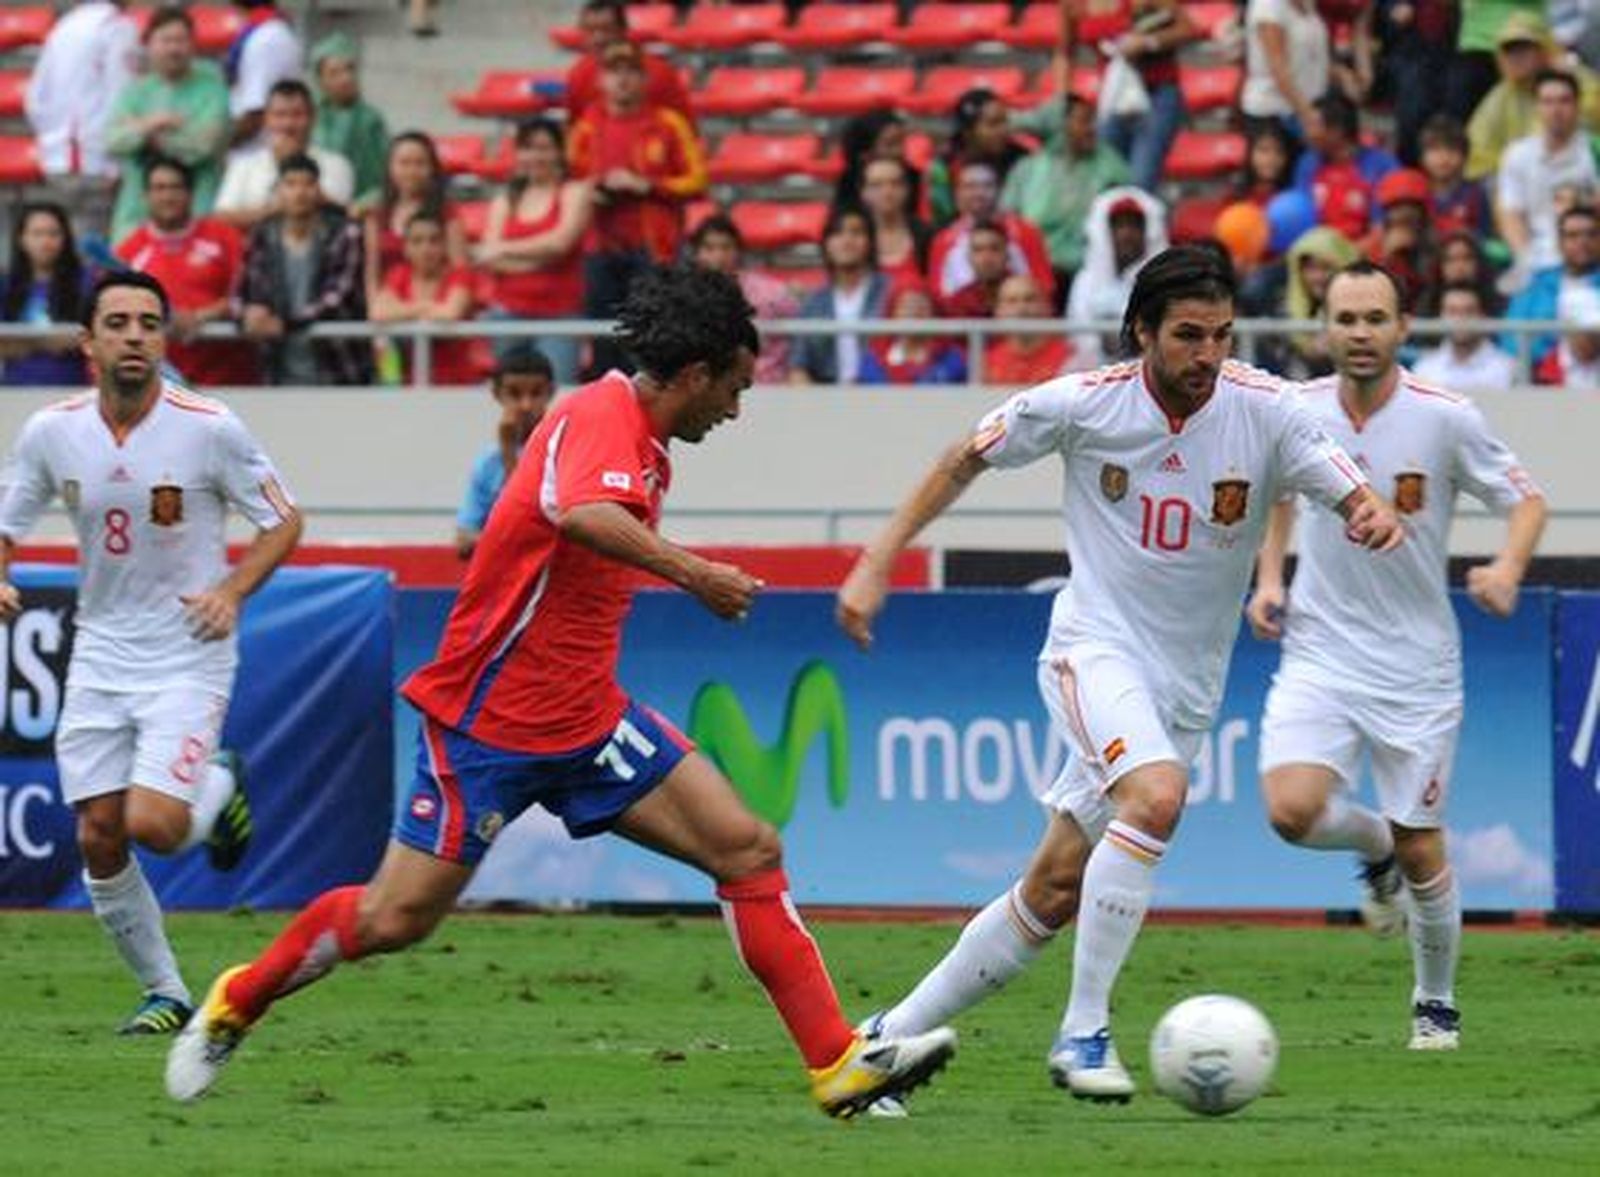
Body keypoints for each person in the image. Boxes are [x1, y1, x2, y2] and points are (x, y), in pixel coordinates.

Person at [165, 265, 958, 1115]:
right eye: (733, 386)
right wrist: (695, 574)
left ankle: (836, 1064)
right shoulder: (597, 414)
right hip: (489, 722)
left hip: (587, 720)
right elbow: (582, 513)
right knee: (394, 920)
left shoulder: (645, 441)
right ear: (694, 374)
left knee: (748, 847)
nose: (734, 408)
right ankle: (237, 998)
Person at [834, 245, 1399, 1105]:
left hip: (1185, 685)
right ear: (1142, 331)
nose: (1207, 354)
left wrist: (1367, 511)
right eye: (1187, 336)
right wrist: (877, 561)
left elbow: (1344, 485)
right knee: (1158, 796)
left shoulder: (1268, 410)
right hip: (1092, 649)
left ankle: (879, 1048)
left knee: (1055, 884)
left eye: (1220, 335)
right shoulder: (1082, 403)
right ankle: (1083, 1032)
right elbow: (963, 458)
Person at [1246, 259, 1545, 1051]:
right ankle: (1372, 846)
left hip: (1417, 665)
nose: (1360, 333)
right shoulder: (1296, 410)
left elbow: (1527, 499)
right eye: (1345, 318)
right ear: (1323, 329)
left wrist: (1509, 568)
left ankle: (1435, 1002)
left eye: (1375, 318)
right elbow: (1278, 489)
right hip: (1319, 649)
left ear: (1402, 328)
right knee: (1289, 811)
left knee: (1424, 840)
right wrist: (1269, 578)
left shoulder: (1446, 416)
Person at [0, 270, 302, 1034]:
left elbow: (284, 521)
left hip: (187, 650)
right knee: (97, 832)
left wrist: (231, 592)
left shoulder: (209, 426)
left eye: (149, 323)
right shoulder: (51, 431)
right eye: (119, 322)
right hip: (100, 649)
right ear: (88, 343)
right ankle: (165, 991)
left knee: (157, 824)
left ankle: (219, 781)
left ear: (164, 339)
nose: (135, 335)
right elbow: (6, 523)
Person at [567, 40, 706, 377]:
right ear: (602, 80)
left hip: (653, 249)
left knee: (651, 339)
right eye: (614, 71)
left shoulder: (668, 123)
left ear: (644, 80)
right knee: (604, 338)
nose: (623, 79)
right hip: (599, 247)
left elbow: (697, 178)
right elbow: (571, 179)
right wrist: (595, 190)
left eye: (631, 71)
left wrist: (647, 186)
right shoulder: (586, 127)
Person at [117, 156, 257, 386]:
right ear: (145, 196)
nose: (168, 196)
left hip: (229, 380)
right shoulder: (129, 251)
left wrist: (200, 317)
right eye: (159, 188)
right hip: (157, 389)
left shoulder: (226, 239)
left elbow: (248, 295)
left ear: (191, 194)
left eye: (176, 188)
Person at [237, 154, 371, 385]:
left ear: (319, 190)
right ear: (278, 191)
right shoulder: (262, 235)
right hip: (277, 372)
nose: (300, 192)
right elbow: (241, 291)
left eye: (308, 183)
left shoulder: (345, 233)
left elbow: (337, 297)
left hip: (338, 368)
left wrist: (285, 323)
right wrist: (246, 315)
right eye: (291, 184)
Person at [105, 5, 230, 245]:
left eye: (180, 40)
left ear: (193, 45)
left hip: (197, 211)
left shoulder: (213, 89)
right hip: (136, 213)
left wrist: (143, 130)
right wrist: (156, 123)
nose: (173, 48)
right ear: (149, 45)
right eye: (165, 40)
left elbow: (202, 146)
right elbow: (113, 140)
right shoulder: (135, 91)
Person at [477, 118, 590, 383]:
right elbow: (489, 258)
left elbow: (560, 243)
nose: (536, 156)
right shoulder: (505, 200)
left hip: (560, 315)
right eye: (528, 148)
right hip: (507, 314)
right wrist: (544, 257)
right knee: (507, 396)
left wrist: (506, 250)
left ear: (560, 153)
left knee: (559, 394)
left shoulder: (574, 192)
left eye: (545, 148)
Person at [1001, 95, 1131, 300]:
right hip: (1034, 278)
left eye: (1092, 121)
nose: (1092, 129)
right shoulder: (1026, 170)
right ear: (1060, 126)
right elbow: (1009, 223)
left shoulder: (1110, 165)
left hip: (1093, 276)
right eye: (1084, 121)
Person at [1066, 0, 1200, 194]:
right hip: (1112, 96)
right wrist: (1063, 99)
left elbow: (1188, 29)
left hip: (1156, 93)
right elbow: (1064, 52)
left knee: (1141, 181)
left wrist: (1148, 42)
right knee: (1107, 181)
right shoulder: (1072, 5)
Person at [453, 345, 556, 560]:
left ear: (551, 392)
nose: (526, 405)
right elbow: (463, 541)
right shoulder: (487, 463)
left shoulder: (564, 451)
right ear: (496, 393)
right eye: (514, 394)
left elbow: (533, 521)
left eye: (536, 393)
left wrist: (509, 453)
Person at [1498, 70, 1600, 283]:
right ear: (1537, 107)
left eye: (1564, 101)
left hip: (1590, 256)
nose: (1556, 110)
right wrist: (1525, 259)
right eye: (1547, 102)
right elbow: (1510, 215)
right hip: (1536, 258)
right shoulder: (1517, 154)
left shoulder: (1595, 150)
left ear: (1577, 105)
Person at [215, 80, 357, 230]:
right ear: (266, 119)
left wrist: (292, 164)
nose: (288, 124)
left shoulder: (336, 164)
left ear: (313, 118)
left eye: (297, 115)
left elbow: (340, 215)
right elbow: (223, 217)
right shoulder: (243, 165)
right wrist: (273, 209)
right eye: (279, 115)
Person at [24, 0, 139, 183]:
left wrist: (51, 137)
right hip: (99, 159)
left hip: (55, 157)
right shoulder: (117, 24)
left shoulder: (64, 25)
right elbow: (123, 93)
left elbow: (35, 98)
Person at [371, 211, 481, 387]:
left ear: (445, 246)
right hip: (408, 384)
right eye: (417, 241)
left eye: (434, 240)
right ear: (405, 248)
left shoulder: (461, 275)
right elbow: (378, 312)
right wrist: (426, 307)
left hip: (457, 385)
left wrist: (403, 311)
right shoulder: (398, 275)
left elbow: (450, 314)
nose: (426, 248)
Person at [1064, 188, 1169, 367]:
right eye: (1118, 226)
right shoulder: (1085, 281)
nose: (1126, 234)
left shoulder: (1165, 281)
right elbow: (1080, 339)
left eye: (1135, 226)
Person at [688, 215, 796, 384]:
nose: (719, 256)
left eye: (726, 247)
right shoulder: (685, 298)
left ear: (738, 251)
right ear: (696, 254)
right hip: (709, 391)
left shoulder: (772, 294)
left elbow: (797, 337)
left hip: (768, 387)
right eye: (709, 248)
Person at [930, 161, 1055, 307]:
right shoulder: (943, 240)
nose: (979, 193)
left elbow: (1044, 286)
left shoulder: (1026, 232)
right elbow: (937, 293)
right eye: (970, 186)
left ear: (1000, 190)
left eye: (987, 186)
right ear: (957, 193)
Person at [789, 206, 889, 385]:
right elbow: (798, 365)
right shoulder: (814, 302)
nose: (847, 240)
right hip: (827, 402)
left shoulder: (890, 292)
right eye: (837, 233)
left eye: (856, 232)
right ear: (826, 244)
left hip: (885, 395)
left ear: (870, 242)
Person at [364, 131, 465, 306]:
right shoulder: (377, 216)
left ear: (432, 168)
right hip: (391, 308)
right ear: (390, 167)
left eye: (420, 163)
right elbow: (373, 274)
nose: (411, 171)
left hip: (436, 306)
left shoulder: (447, 213)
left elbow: (460, 269)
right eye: (404, 163)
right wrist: (377, 317)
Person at [1, 203, 92, 387]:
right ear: (21, 239)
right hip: (14, 393)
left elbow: (89, 338)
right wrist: (53, 341)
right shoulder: (6, 285)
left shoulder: (85, 282)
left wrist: (25, 342)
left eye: (53, 233)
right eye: (37, 233)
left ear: (65, 239)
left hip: (69, 393)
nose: (45, 241)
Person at [564, 0, 692, 123]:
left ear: (623, 30)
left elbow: (684, 128)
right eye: (590, 31)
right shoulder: (578, 75)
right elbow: (576, 129)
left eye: (606, 29)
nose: (599, 38)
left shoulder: (660, 73)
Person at [1504, 203, 1600, 364]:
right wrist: (1550, 360)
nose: (1583, 241)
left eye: (1591, 234)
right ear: (1559, 242)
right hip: (1543, 380)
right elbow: (1510, 339)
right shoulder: (1535, 285)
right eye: (1573, 235)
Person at [926, 89, 1031, 228]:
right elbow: (942, 218)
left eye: (1005, 121)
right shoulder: (944, 164)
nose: (1004, 130)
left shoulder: (1021, 159)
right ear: (968, 131)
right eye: (993, 124)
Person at [310, 32, 390, 211]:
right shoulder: (309, 116)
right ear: (320, 79)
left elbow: (384, 179)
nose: (346, 78)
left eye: (350, 69)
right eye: (334, 73)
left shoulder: (370, 120)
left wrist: (361, 206)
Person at [1242, 0, 1331, 142]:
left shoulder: (1307, 4)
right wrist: (1307, 113)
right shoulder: (1268, 6)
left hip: (1309, 106)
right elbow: (1278, 67)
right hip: (1275, 113)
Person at [1414, 281, 1519, 393]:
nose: (1460, 319)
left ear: (1482, 315)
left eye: (1469, 311)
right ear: (1441, 316)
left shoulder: (1508, 368)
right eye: (1452, 311)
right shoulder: (1423, 369)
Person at [226, 1, 303, 153]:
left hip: (258, 150)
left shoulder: (267, 38)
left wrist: (220, 147)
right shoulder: (265, 30)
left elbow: (257, 111)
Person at [858, 281, 967, 385]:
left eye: (921, 306)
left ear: (933, 313)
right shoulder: (874, 359)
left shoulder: (950, 357)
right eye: (906, 306)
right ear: (893, 313)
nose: (913, 313)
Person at [983, 273, 1079, 384]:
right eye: (1011, 301)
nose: (1021, 308)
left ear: (1048, 306)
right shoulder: (986, 363)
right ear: (998, 311)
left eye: (1029, 299)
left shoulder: (1071, 358)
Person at [858, 156, 932, 286]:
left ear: (907, 189)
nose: (887, 192)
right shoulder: (855, 238)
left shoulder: (928, 236)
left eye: (895, 183)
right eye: (876, 185)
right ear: (864, 192)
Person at [1417, 115, 1494, 239]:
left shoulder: (1475, 194)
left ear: (1465, 156)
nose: (1443, 157)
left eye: (1452, 150)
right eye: (1435, 149)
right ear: (1422, 157)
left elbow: (1486, 237)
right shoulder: (1417, 192)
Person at [939, 219, 1011, 318]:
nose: (986, 258)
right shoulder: (958, 303)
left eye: (994, 249)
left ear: (1007, 255)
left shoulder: (1029, 296)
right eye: (978, 250)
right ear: (969, 257)